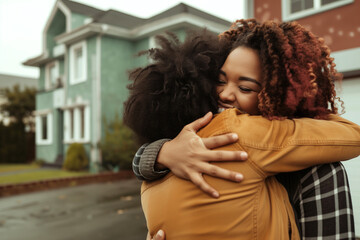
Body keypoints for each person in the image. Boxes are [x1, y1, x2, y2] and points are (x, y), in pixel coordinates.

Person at [124, 20, 360, 239]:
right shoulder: (236, 133)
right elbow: (352, 135)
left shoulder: (154, 178)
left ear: (279, 94)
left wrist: (158, 154)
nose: (225, 95)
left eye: (245, 88)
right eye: (219, 80)